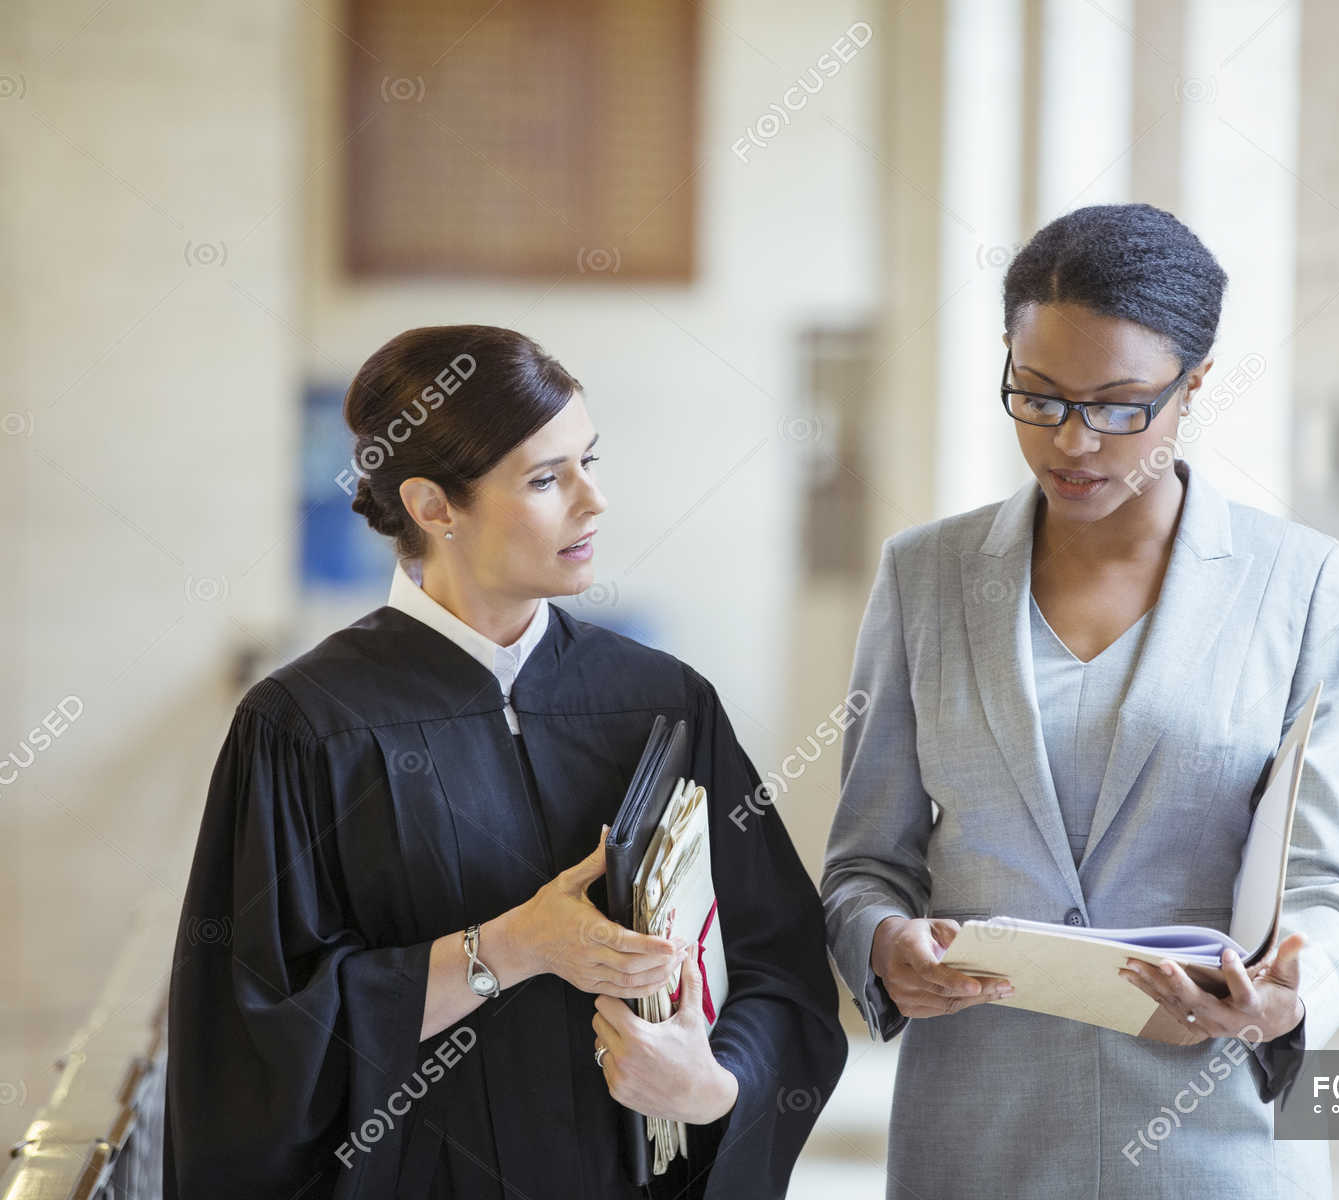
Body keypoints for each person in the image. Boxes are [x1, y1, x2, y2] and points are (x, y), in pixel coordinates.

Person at [163, 325, 847, 1199]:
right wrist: (509, 948)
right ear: (432, 505)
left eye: (590, 461)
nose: (593, 502)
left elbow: (778, 967)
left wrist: (716, 1086)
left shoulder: (662, 704)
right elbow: (253, 1036)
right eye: (546, 478)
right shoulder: (305, 727)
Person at [821, 203, 1339, 1198]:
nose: (1074, 442)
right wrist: (878, 943)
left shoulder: (1296, 584)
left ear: (1193, 386)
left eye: (1121, 406)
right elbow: (866, 861)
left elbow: (1331, 885)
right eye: (1038, 397)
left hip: (1213, 1129)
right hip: (978, 1128)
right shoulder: (925, 577)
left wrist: (1288, 1002)